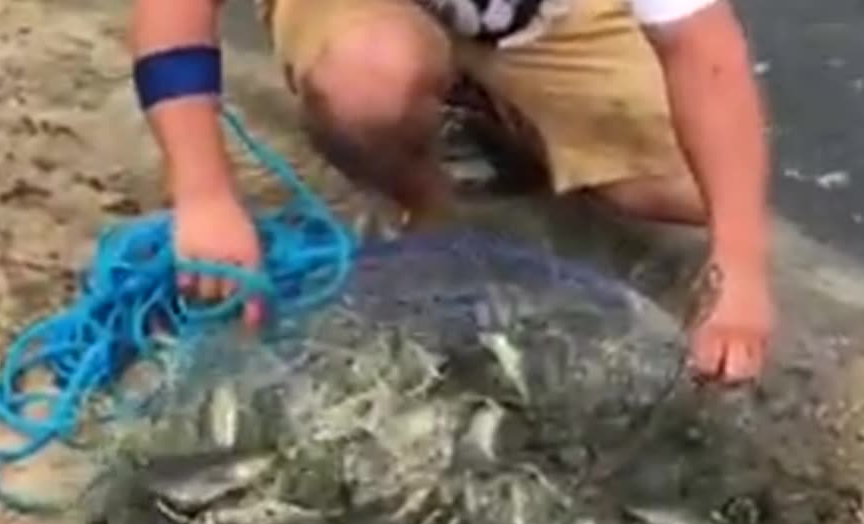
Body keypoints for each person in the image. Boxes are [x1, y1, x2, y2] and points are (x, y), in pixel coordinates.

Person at [128, 0, 774, 384]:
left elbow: (704, 52)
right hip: (366, 19)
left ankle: (492, 107)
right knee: (368, 86)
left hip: (536, 18)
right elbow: (173, 12)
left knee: (693, 188)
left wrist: (737, 270)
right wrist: (205, 194)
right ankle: (425, 197)